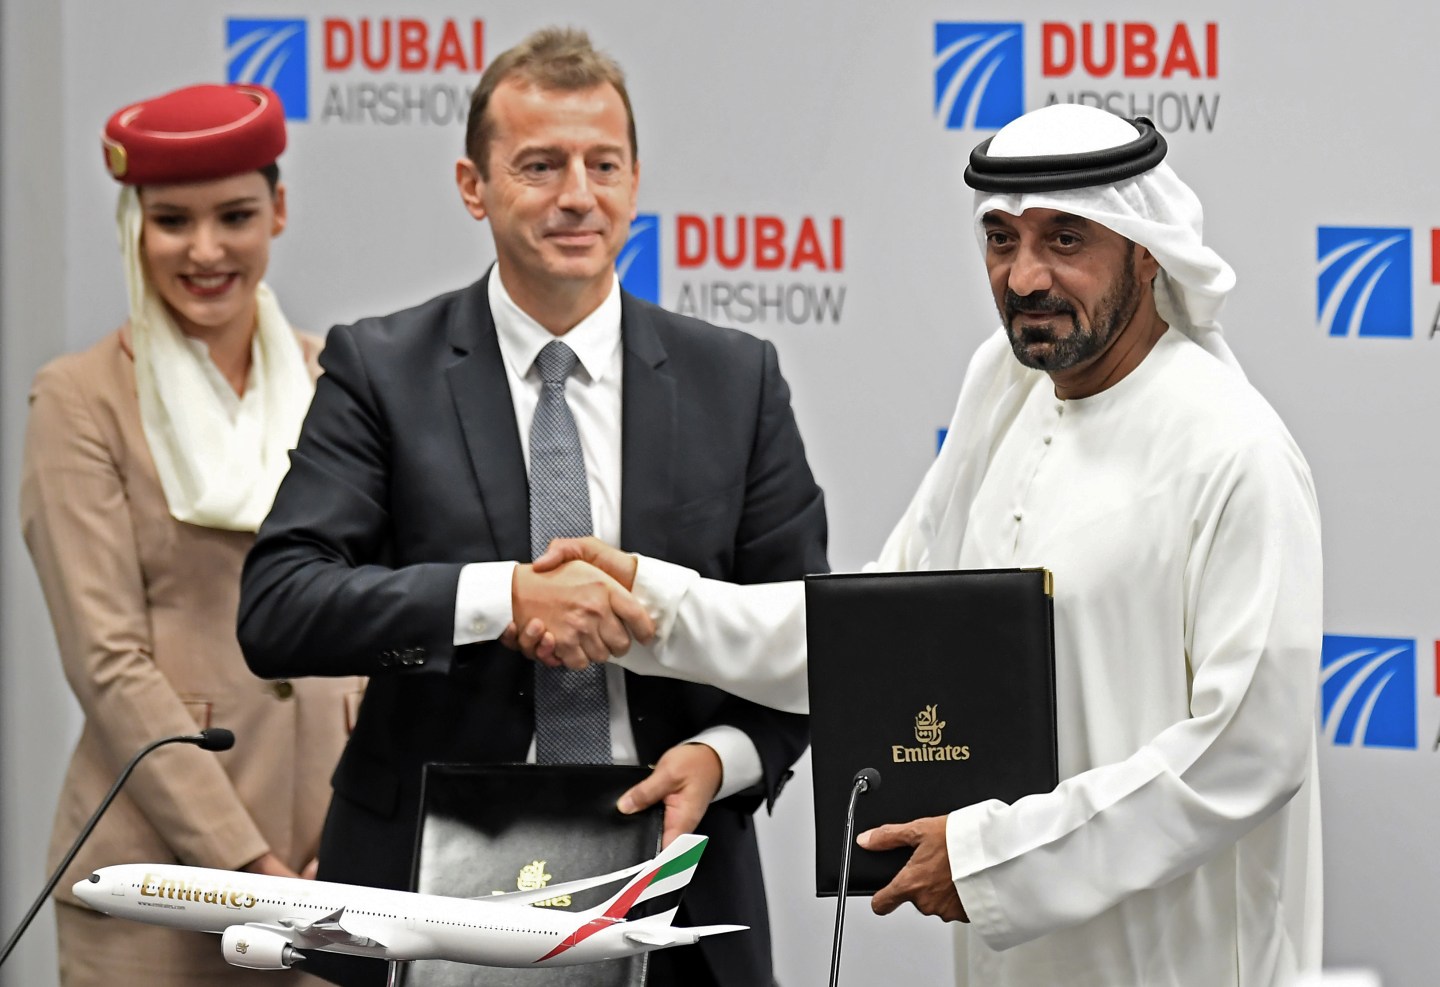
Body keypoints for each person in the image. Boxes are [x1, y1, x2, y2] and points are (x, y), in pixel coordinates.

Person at [521, 104, 1324, 986]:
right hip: (1005, 954)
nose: (1024, 277)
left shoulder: (1233, 448)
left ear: (1143, 248)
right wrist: (647, 599)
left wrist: (992, 855)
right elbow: (878, 635)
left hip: (1177, 960)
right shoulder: (1005, 389)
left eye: (1065, 240)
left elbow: (1248, 752)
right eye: (1001, 239)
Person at [236, 27, 826, 987]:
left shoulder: (737, 379)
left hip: (672, 882)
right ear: (474, 185)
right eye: (540, 165)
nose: (577, 196)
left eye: (603, 164)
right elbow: (281, 606)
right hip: (428, 890)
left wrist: (722, 759)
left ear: (636, 178)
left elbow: (812, 636)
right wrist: (500, 599)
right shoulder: (382, 368)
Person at [20, 83, 361, 987]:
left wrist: (365, 837)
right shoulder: (81, 397)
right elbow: (108, 661)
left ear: (278, 212)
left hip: (340, 875)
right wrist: (252, 873)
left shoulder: (341, 379)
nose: (205, 250)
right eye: (171, 220)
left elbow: (377, 619)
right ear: (135, 224)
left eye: (235, 216)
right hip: (157, 879)